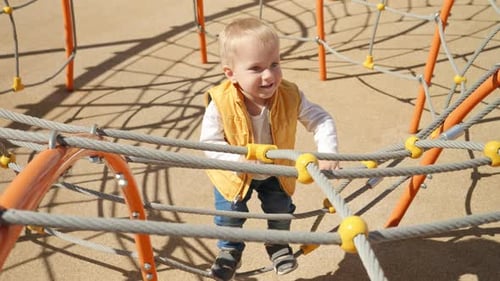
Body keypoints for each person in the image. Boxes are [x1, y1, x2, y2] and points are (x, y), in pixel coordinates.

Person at [199, 17, 339, 281]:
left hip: (276, 169)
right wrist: (239, 160)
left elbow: (321, 119)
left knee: (280, 209)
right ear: (231, 74)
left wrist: (327, 153)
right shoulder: (220, 102)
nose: (269, 75)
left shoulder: (289, 94)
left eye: (275, 64)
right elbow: (209, 143)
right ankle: (229, 250)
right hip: (234, 173)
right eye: (256, 68)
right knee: (230, 214)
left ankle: (277, 243)